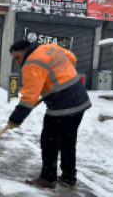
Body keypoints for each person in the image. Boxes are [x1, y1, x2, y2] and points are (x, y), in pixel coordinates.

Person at [7, 40, 91, 189]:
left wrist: (15, 119)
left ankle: (48, 178)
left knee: (49, 142)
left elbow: (29, 98)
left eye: (18, 57)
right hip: (80, 99)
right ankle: (69, 176)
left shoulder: (32, 63)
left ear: (26, 50)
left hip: (63, 105)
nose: (17, 62)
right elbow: (72, 58)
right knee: (68, 141)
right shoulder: (49, 47)